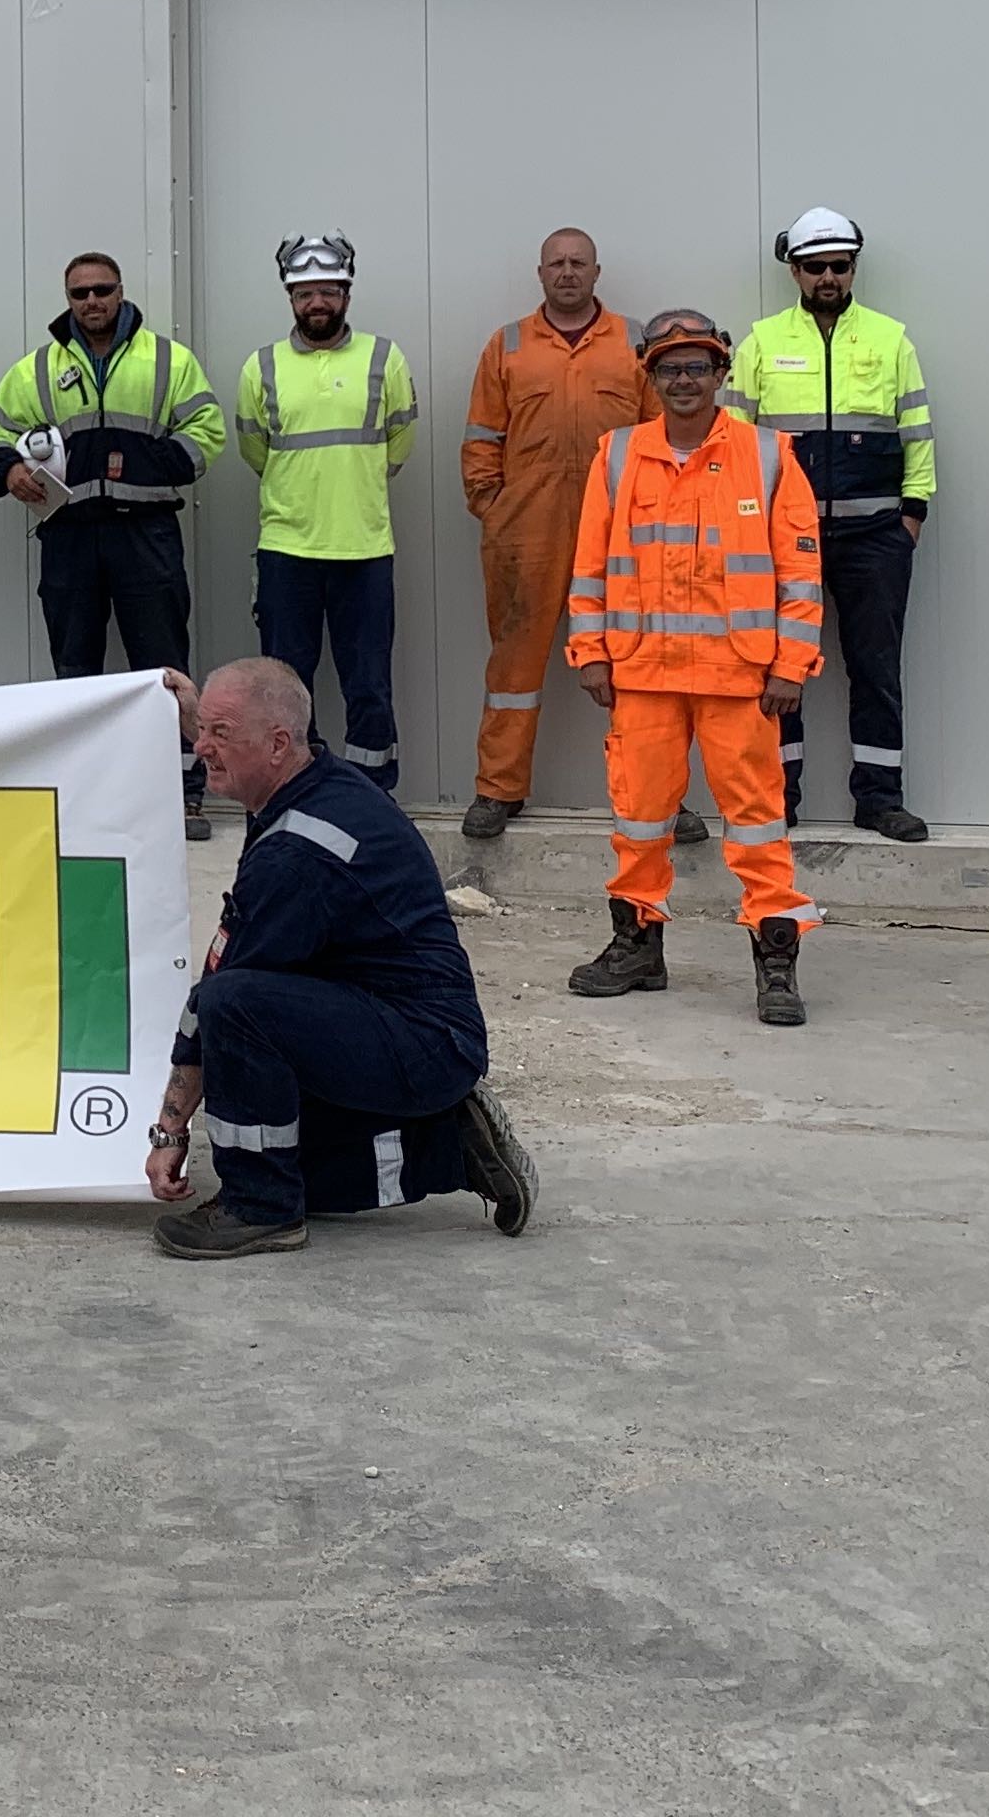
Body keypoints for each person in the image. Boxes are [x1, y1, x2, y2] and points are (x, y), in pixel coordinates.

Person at [141, 658, 533, 1258]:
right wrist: (205, 718)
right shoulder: (309, 777)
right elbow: (254, 741)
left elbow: (215, 994)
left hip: (422, 1042)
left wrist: (169, 1130)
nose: (201, 748)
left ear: (278, 744)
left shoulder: (296, 856)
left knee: (232, 1005)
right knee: (290, 1160)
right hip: (404, 1024)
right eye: (203, 730)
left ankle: (261, 1210)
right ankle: (447, 1146)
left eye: (220, 733)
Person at [561, 311, 832, 1024]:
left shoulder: (768, 455)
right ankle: (637, 947)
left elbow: (801, 572)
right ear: (650, 377)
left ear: (721, 374)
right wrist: (590, 650)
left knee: (758, 824)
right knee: (639, 821)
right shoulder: (618, 455)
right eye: (670, 368)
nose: (684, 380)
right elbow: (589, 563)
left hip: (738, 679)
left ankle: (776, 959)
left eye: (697, 367)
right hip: (642, 674)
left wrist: (791, 664)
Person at [0, 252, 225, 836]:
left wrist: (138, 466)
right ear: (68, 299)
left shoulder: (168, 360)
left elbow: (207, 434)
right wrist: (9, 469)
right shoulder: (38, 369)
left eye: (102, 290)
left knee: (164, 667)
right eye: (80, 293)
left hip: (146, 531)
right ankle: (81, 794)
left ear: (120, 292)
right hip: (69, 535)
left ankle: (182, 794)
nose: (92, 301)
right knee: (75, 668)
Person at [728, 209, 935, 842]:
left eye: (839, 266)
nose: (828, 277)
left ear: (852, 268)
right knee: (776, 668)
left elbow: (917, 432)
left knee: (876, 668)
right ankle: (775, 797)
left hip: (875, 536)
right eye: (815, 266)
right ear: (794, 271)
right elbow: (735, 440)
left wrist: (912, 514)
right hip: (781, 540)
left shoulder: (889, 339)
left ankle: (880, 798)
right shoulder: (761, 342)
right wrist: (743, 526)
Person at [457, 229, 646, 842]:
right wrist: (493, 505)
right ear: (540, 273)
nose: (567, 272)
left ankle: (652, 790)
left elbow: (659, 431)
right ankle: (498, 788)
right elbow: (482, 436)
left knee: (634, 659)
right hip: (526, 529)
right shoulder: (508, 344)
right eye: (556, 263)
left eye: (578, 263)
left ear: (597, 272)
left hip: (619, 528)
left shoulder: (635, 341)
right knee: (514, 662)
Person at [234, 234, 418, 795]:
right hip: (287, 550)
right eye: (305, 293)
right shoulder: (261, 366)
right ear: (290, 299)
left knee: (369, 685)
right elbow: (255, 451)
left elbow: (399, 445)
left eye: (329, 291)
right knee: (284, 690)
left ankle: (371, 795)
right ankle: (298, 792)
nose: (317, 302)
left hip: (364, 549)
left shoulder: (384, 359)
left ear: (346, 295)